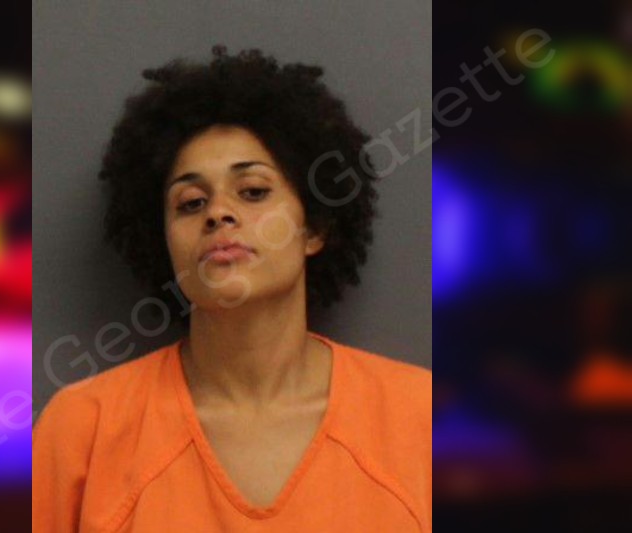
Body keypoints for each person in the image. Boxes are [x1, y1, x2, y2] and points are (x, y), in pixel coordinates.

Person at [33, 45, 431, 532]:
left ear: (314, 228)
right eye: (190, 202)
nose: (218, 213)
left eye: (253, 192)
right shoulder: (83, 429)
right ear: (163, 242)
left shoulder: (422, 421)